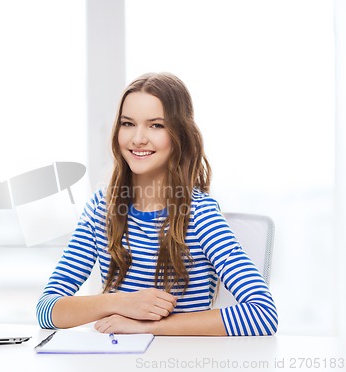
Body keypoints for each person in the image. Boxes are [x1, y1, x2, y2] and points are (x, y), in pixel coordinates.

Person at [36, 72, 278, 336]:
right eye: (128, 124)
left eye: (156, 125)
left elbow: (263, 314)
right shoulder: (100, 209)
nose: (138, 138)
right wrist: (122, 303)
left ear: (180, 136)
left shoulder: (200, 214)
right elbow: (47, 310)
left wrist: (150, 327)